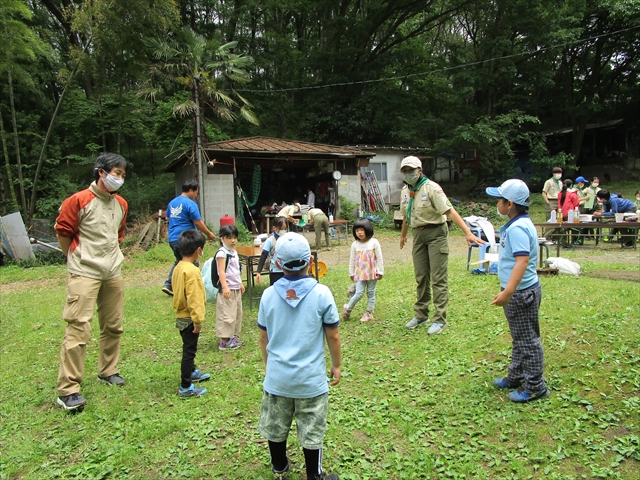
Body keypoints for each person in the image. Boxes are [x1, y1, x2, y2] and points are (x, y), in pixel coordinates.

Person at [257, 232, 341, 480]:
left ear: (278, 263)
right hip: (311, 382)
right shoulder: (322, 293)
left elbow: (264, 338)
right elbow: (333, 335)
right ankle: (314, 475)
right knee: (312, 429)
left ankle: (279, 469)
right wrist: (336, 365)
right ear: (311, 262)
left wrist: (268, 366)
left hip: (278, 379)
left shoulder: (268, 295)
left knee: (276, 427)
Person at [54, 153, 129, 411]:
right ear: (101, 172)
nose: (119, 179)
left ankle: (108, 371)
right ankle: (68, 389)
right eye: (116, 173)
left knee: (113, 325)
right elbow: (64, 232)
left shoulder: (121, 204)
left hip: (112, 271)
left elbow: (118, 235)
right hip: (84, 271)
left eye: (122, 175)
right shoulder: (78, 200)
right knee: (78, 327)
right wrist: (74, 257)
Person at [399, 156, 485, 334]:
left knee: (438, 277)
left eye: (411, 170)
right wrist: (403, 236)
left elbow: (449, 211)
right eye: (405, 171)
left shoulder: (431, 188)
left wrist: (467, 232)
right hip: (418, 235)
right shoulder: (405, 191)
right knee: (421, 276)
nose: (408, 174)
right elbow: (406, 216)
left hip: (436, 233)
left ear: (420, 170)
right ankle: (421, 315)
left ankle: (440, 319)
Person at [485, 179, 549, 403]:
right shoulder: (516, 224)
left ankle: (535, 386)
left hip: (521, 294)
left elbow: (522, 262)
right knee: (520, 337)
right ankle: (517, 375)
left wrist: (508, 293)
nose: (497, 204)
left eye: (499, 200)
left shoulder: (518, 228)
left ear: (509, 204)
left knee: (528, 340)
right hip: (519, 292)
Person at [171, 229, 211, 397]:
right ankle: (186, 386)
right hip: (189, 318)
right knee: (189, 351)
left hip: (180, 315)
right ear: (198, 251)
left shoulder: (178, 267)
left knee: (188, 346)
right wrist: (198, 320)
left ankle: (193, 371)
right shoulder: (193, 271)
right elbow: (194, 298)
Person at [163, 180, 217, 296]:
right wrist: (209, 234)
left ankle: (169, 284)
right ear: (191, 190)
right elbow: (197, 222)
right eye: (196, 193)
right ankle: (193, 286)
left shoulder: (172, 202)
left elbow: (167, 218)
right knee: (193, 261)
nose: (196, 196)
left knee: (180, 261)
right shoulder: (190, 204)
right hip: (186, 239)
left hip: (172, 238)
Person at [342, 219, 384, 323]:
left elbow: (379, 257)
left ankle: (368, 313)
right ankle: (347, 309)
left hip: (372, 273)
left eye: (362, 230)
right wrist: (351, 273)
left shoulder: (374, 242)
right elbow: (352, 259)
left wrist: (380, 271)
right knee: (359, 293)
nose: (359, 232)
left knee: (371, 293)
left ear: (368, 230)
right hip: (360, 274)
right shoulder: (355, 244)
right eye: (357, 230)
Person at [216, 224, 245, 350]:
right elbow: (221, 271)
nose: (233, 240)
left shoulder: (234, 252)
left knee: (236, 313)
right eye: (229, 238)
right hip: (227, 289)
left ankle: (231, 336)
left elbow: (235, 270)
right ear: (222, 238)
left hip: (235, 287)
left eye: (235, 237)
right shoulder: (222, 253)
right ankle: (224, 340)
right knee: (227, 314)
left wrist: (240, 283)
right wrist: (225, 287)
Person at [256, 217, 288, 285]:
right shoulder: (270, 240)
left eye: (285, 229)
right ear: (274, 228)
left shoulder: (287, 239)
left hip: (287, 270)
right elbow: (263, 256)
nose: (283, 231)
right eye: (281, 229)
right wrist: (259, 271)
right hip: (275, 272)